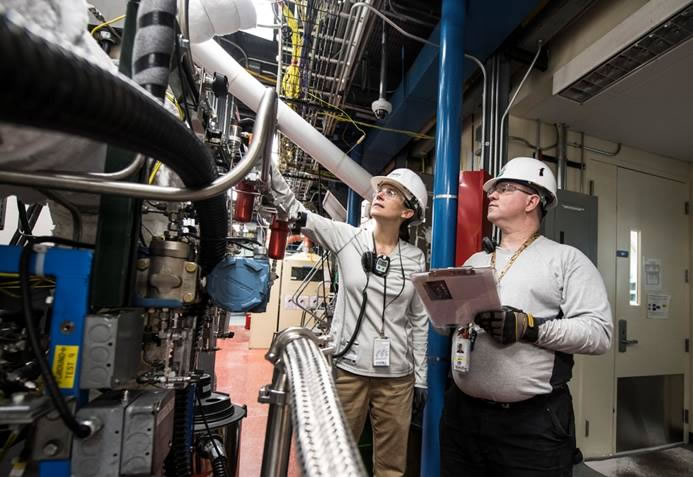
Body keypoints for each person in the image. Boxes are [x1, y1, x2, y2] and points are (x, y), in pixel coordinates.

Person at [439, 157, 613, 476]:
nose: (492, 194)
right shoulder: (477, 259)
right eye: (493, 190)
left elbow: (599, 334)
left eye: (504, 189)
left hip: (530, 427)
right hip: (461, 416)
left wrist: (528, 327)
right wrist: (443, 315)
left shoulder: (566, 260)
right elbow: (451, 323)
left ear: (533, 200)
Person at [270, 164, 430, 476]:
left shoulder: (415, 258)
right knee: (333, 458)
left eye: (392, 192)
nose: (381, 194)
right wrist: (269, 170)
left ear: (408, 213)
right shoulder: (347, 238)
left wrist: (421, 378)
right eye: (381, 190)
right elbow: (294, 210)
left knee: (391, 467)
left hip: (397, 379)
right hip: (349, 373)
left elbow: (419, 321)